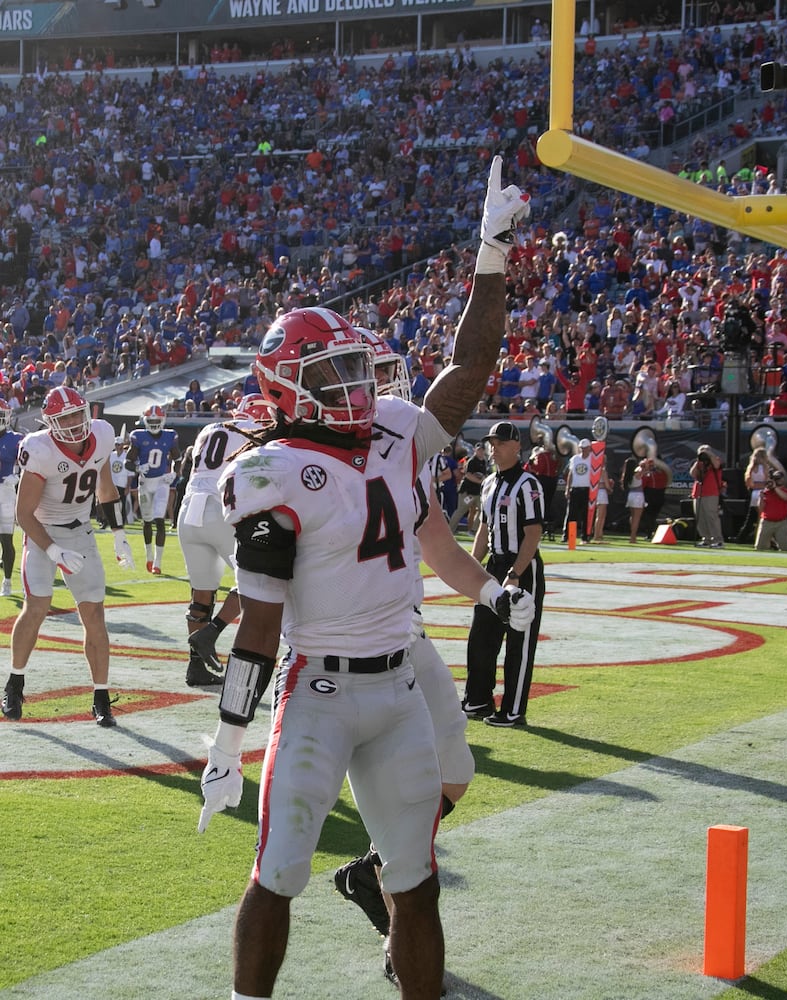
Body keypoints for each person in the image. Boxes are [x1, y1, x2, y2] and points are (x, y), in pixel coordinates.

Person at [197, 156, 530, 1000]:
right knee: (276, 873)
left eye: (354, 368)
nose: (354, 386)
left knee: (414, 880)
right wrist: (229, 741)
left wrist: (490, 252)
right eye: (332, 373)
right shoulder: (267, 471)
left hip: (397, 691)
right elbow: (262, 626)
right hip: (317, 690)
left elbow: (469, 371)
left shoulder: (390, 429)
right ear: (285, 386)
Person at [333, 332, 536, 985]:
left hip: (407, 636)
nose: (386, 391)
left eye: (389, 377)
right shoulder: (311, 455)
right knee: (406, 810)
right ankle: (399, 939)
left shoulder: (403, 455)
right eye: (372, 378)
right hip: (347, 649)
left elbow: (441, 548)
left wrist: (494, 592)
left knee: (455, 771)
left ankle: (369, 872)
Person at [1, 386, 134, 726]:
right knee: (37, 607)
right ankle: (14, 683)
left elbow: (105, 488)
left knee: (94, 614)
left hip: (81, 533)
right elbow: (24, 514)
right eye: (65, 418)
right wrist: (53, 549)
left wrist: (119, 534)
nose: (75, 423)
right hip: (42, 531)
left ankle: (101, 696)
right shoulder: (40, 449)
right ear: (50, 422)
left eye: (77, 414)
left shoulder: (102, 434)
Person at [177, 394, 276, 688]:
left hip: (189, 510)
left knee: (200, 593)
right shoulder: (256, 433)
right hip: (220, 508)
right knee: (253, 578)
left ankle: (196, 666)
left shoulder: (210, 429)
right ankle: (213, 632)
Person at [462, 420, 545, 727]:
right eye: (490, 443)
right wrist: (471, 567)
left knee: (519, 640)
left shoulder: (527, 484)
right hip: (495, 565)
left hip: (521, 566)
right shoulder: (489, 483)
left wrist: (516, 572)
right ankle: (478, 699)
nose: (492, 448)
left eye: (498, 443)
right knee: (481, 634)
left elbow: (533, 533)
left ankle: (512, 710)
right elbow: (484, 528)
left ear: (515, 446)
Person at [127, 403, 181, 574]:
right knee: (147, 521)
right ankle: (149, 555)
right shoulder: (138, 436)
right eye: (152, 420)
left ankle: (157, 562)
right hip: (145, 483)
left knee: (159, 519)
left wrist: (174, 473)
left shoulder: (170, 436)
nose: (155, 423)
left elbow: (178, 459)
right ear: (145, 420)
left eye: (157, 419)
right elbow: (127, 462)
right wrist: (136, 468)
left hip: (162, 483)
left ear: (163, 419)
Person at [0, 399, 23, 596]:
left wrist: (17, 477)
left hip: (5, 491)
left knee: (6, 540)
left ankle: (7, 581)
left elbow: (31, 464)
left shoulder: (15, 439)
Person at [734, 446, 772, 544]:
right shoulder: (764, 467)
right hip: (762, 493)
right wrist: (761, 485)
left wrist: (754, 486)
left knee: (751, 518)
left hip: (754, 492)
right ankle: (761, 538)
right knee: (762, 517)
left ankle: (742, 537)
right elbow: (767, 480)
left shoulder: (750, 468)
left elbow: (749, 483)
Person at [448, 440, 488, 534]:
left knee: (483, 510)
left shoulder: (484, 462)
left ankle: (474, 529)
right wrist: (479, 481)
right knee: (461, 511)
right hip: (467, 491)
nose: (480, 452)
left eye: (482, 450)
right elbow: (468, 475)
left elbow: (484, 475)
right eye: (479, 450)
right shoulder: (472, 461)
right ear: (475, 450)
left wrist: (483, 480)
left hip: (477, 491)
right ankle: (450, 530)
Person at [690, 445, 725, 547]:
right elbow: (692, 474)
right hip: (698, 493)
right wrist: (698, 460)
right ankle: (706, 539)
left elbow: (717, 465)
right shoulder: (698, 464)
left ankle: (718, 540)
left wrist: (709, 454)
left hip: (711, 493)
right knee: (700, 517)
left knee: (711, 517)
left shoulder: (715, 460)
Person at [754, 469, 787, 551]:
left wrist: (775, 488)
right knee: (760, 547)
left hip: (781, 522)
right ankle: (772, 543)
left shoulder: (785, 491)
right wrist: (761, 498)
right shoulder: (766, 492)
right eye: (776, 479)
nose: (779, 480)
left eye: (780, 478)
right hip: (767, 521)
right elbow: (760, 508)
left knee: (786, 548)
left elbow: (786, 498)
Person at [563, 437, 592, 543]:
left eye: (585, 448)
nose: (583, 450)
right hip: (575, 488)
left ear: (589, 448)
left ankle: (585, 537)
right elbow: (570, 473)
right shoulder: (575, 459)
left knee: (586, 515)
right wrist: (567, 488)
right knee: (571, 514)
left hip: (587, 489)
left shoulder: (593, 459)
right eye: (582, 448)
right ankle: (569, 536)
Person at [620, 455, 646, 543]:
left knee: (632, 516)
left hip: (631, 495)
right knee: (636, 518)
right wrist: (643, 464)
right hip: (638, 496)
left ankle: (632, 536)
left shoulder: (627, 475)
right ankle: (632, 537)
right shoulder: (637, 474)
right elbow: (644, 469)